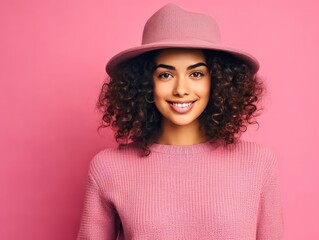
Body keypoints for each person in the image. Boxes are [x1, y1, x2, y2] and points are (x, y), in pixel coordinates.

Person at [77, 3, 284, 240]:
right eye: (166, 74)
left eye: (196, 74)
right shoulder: (108, 168)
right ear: (145, 82)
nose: (181, 89)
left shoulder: (259, 164)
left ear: (216, 80)